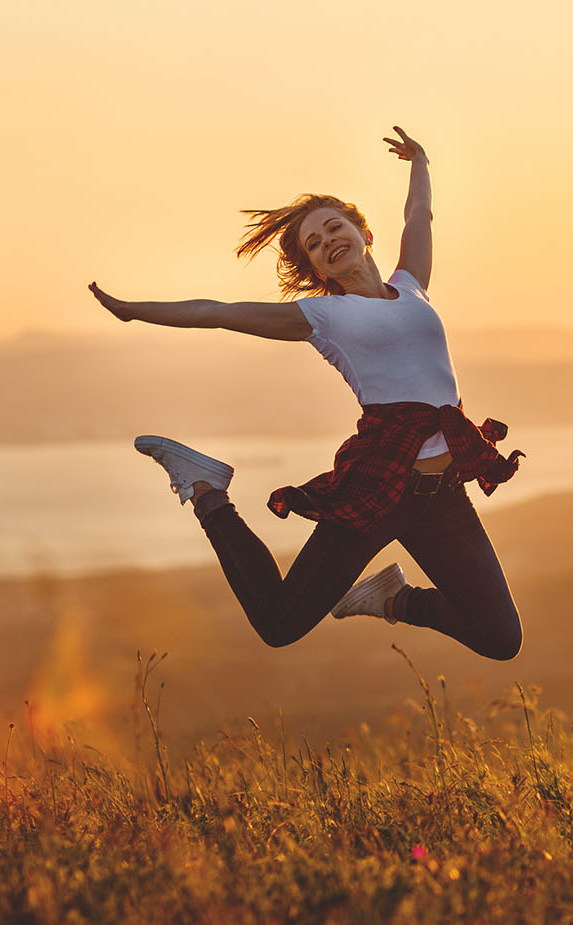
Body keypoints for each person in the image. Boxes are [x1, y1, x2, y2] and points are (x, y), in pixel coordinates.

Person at [88, 126, 523, 660]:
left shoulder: (410, 286)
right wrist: (135, 311)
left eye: (333, 227)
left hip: (444, 494)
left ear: (362, 231)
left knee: (500, 639)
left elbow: (419, 218)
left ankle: (393, 600)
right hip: (380, 487)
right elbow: (219, 313)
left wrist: (421, 162)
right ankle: (206, 489)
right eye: (314, 245)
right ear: (315, 268)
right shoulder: (325, 316)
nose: (327, 242)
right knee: (279, 622)